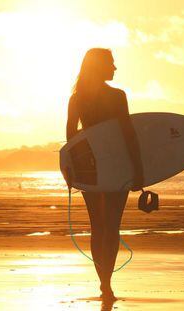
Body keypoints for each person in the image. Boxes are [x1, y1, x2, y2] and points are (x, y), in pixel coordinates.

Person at [66, 48, 144, 302]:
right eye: (111, 63)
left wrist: (72, 170)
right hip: (117, 166)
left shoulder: (77, 99)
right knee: (111, 226)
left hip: (90, 168)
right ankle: (106, 283)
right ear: (100, 66)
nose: (115, 68)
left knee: (97, 227)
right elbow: (128, 134)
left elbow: (70, 139)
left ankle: (104, 283)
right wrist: (138, 170)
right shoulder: (117, 96)